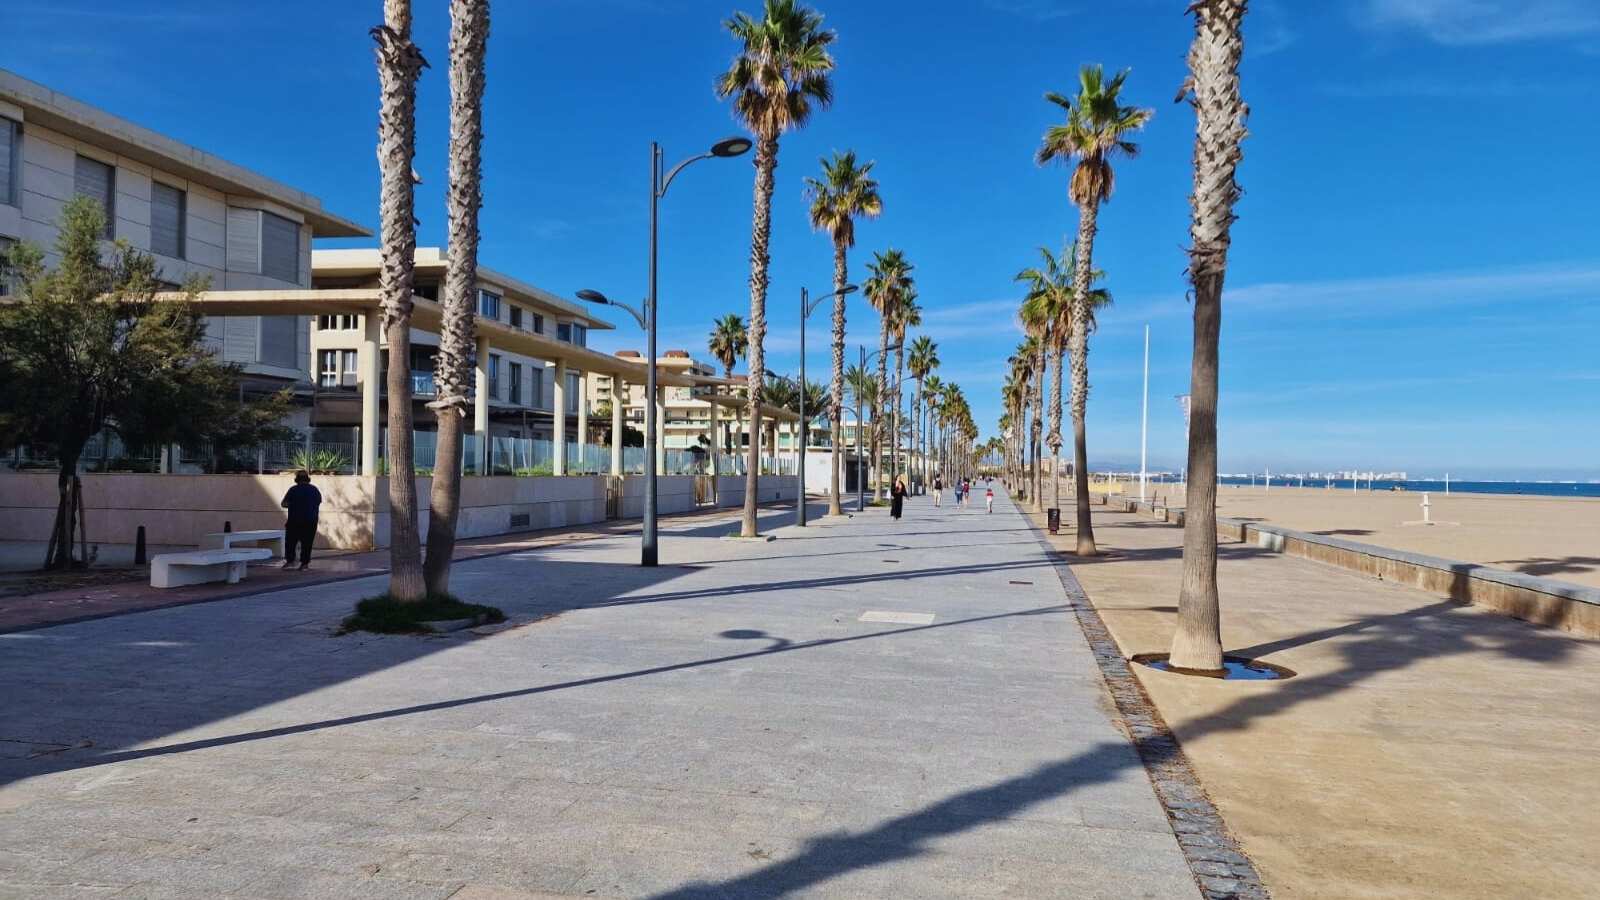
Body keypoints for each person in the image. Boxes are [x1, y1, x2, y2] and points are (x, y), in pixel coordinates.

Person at [280, 470, 322, 571]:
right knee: (307, 543)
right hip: (310, 521)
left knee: (291, 542)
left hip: (294, 521)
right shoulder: (314, 490)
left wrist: (294, 505)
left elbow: (284, 504)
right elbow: (318, 502)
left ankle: (290, 561)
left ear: (297, 479)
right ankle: (304, 564)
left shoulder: (293, 490)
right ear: (308, 479)